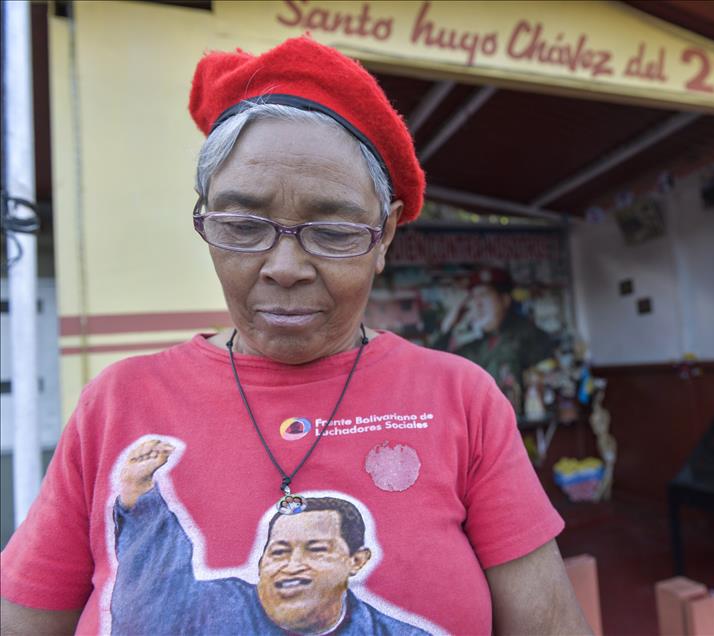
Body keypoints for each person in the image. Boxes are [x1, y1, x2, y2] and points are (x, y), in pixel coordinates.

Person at [0, 36, 590, 635]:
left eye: (332, 231)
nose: (284, 267)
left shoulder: (462, 400)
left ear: (384, 237)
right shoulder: (117, 404)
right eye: (243, 225)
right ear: (206, 219)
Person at [109, 440, 426, 635]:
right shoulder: (213, 607)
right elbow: (155, 597)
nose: (292, 565)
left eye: (316, 549)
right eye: (278, 552)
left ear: (356, 560)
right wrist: (142, 497)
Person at [434, 268, 556, 408]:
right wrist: (448, 329)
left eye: (484, 295)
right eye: (474, 297)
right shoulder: (475, 346)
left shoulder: (530, 335)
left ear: (504, 300)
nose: (478, 304)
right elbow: (434, 367)